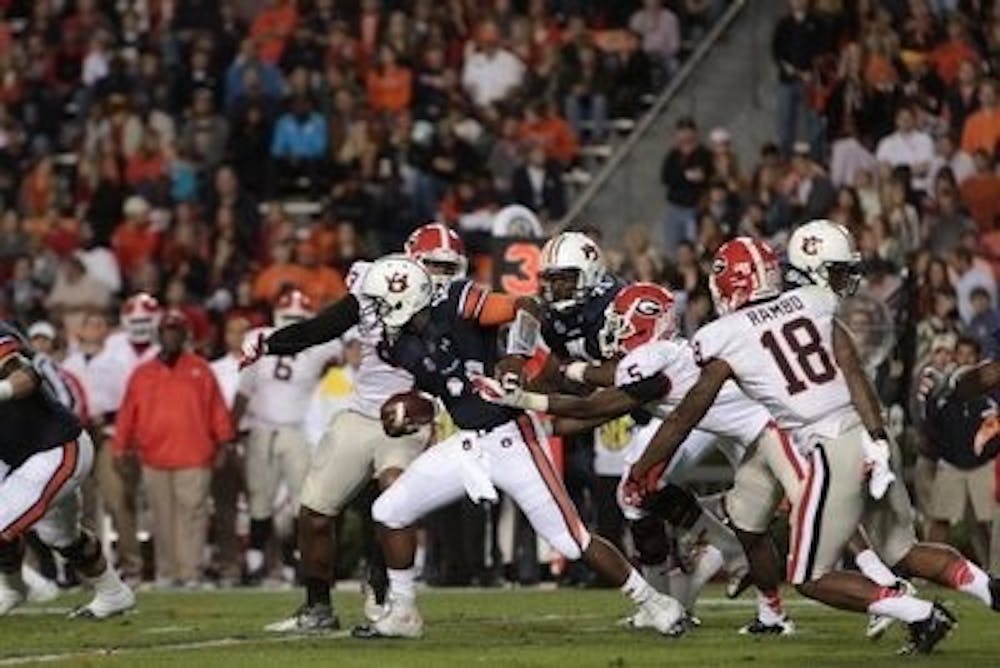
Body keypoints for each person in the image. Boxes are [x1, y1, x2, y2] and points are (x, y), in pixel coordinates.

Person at [623, 236, 1000, 654]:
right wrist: (877, 438)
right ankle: (990, 589)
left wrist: (643, 469)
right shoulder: (813, 302)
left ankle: (920, 614)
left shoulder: (723, 335)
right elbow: (854, 372)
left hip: (832, 447)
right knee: (905, 551)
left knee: (809, 576)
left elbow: (684, 417)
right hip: (871, 436)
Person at [351, 255, 686, 639]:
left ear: (403, 298)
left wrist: (514, 359)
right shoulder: (399, 346)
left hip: (514, 437)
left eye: (379, 301)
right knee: (389, 509)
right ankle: (404, 611)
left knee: (571, 539)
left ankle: (655, 602)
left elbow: (525, 305)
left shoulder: (456, 301)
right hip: (468, 442)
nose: (374, 312)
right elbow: (449, 391)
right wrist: (416, 410)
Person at [483, 280, 793, 634]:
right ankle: (752, 595)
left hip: (766, 429)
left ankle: (726, 552)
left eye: (621, 323)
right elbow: (605, 410)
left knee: (799, 526)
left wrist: (528, 398)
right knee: (668, 502)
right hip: (743, 429)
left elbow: (592, 405)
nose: (613, 332)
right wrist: (542, 430)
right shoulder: (663, 356)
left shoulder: (654, 356)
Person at [246, 224, 455, 632]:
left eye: (448, 267)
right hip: (361, 414)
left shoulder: (457, 305)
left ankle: (391, 595)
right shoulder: (373, 288)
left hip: (411, 418)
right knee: (315, 511)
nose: (439, 274)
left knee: (395, 499)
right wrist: (267, 345)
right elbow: (318, 330)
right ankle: (317, 607)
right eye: (432, 264)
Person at [0, 322, 134, 618]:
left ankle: (15, 587)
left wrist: (2, 390)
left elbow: (28, 376)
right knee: (62, 538)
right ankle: (113, 593)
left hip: (55, 448)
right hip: (14, 456)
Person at [113, 310, 235, 587]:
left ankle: (190, 572)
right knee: (161, 518)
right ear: (159, 335)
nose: (171, 335)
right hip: (153, 457)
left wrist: (224, 443)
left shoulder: (201, 369)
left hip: (195, 454)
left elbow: (217, 409)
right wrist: (120, 447)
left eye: (176, 330)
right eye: (167, 330)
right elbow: (127, 412)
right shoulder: (142, 373)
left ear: (184, 335)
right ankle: (167, 573)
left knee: (193, 515)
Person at [234, 290, 340, 582]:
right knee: (260, 496)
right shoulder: (265, 338)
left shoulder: (313, 345)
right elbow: (244, 390)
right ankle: (256, 559)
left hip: (296, 429)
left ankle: (296, 559)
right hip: (263, 428)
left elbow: (342, 358)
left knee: (300, 499)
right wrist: (232, 430)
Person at [923, 336, 998, 565]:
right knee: (939, 519)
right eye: (961, 354)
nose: (965, 359)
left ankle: (990, 568)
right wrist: (942, 452)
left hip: (982, 465)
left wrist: (988, 453)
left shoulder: (990, 390)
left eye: (970, 355)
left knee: (986, 521)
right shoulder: (943, 388)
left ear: (977, 358)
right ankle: (930, 570)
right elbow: (931, 423)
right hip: (950, 464)